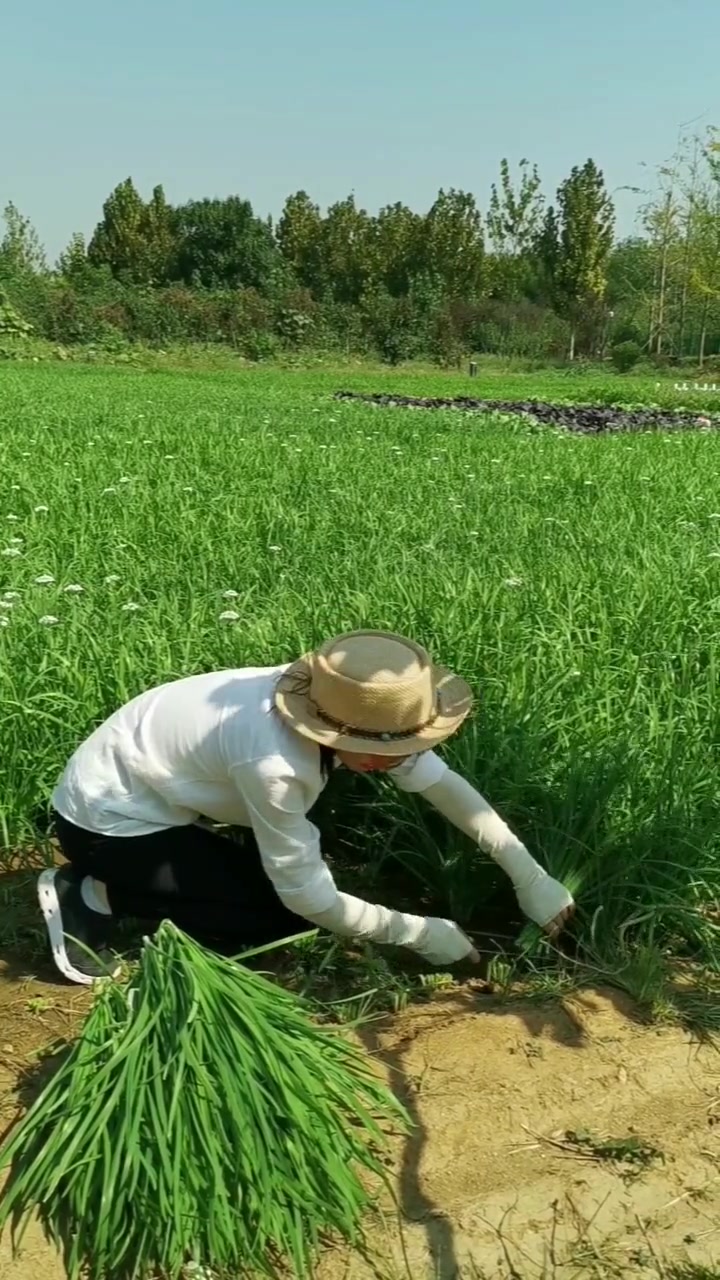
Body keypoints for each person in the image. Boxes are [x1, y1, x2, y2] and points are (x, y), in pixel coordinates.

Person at [40, 630, 575, 985]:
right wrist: (419, 933)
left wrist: (531, 878)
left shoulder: (345, 702)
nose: (397, 759)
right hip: (108, 822)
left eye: (405, 745)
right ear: (333, 729)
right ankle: (94, 893)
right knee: (275, 919)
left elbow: (444, 785)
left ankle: (189, 870)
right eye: (383, 751)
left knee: (273, 886)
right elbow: (308, 897)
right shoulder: (274, 764)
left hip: (167, 788)